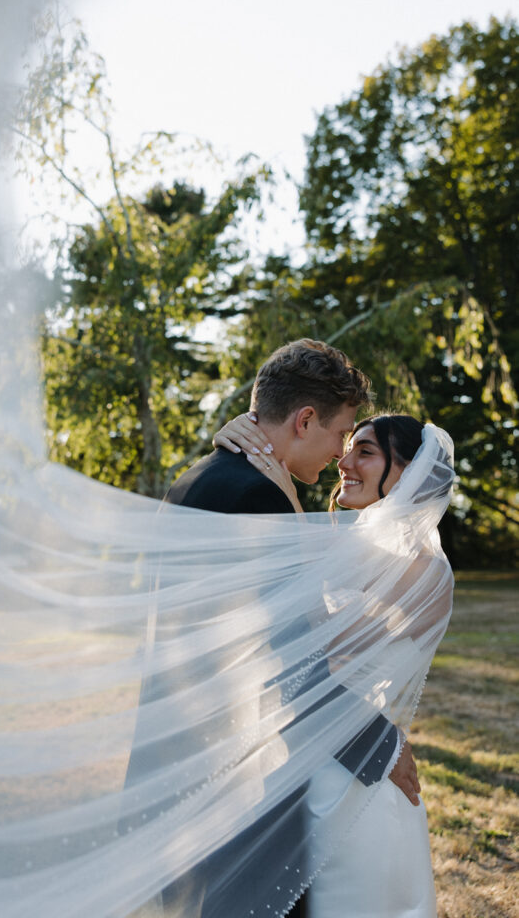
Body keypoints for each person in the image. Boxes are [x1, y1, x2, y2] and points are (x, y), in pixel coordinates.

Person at [155, 340, 421, 917]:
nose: (340, 454)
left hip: (190, 760)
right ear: (305, 420)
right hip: (247, 776)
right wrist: (381, 746)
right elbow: (290, 665)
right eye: (340, 433)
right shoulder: (257, 498)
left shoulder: (199, 476)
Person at [213, 410, 453, 918]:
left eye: (365, 451)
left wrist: (289, 504)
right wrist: (238, 437)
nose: (344, 460)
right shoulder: (354, 545)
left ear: (409, 473)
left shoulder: (426, 571)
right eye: (348, 446)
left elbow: (315, 641)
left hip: (354, 780)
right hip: (311, 759)